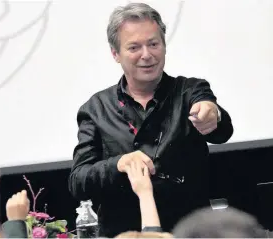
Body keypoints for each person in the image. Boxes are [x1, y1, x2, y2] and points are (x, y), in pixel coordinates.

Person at [68, 2, 233, 237]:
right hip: (124, 232)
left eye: (153, 44)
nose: (147, 55)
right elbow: (78, 180)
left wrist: (212, 113)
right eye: (134, 47)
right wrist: (119, 164)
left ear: (164, 46)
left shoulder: (189, 91)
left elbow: (221, 129)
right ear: (115, 54)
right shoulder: (96, 108)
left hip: (189, 231)